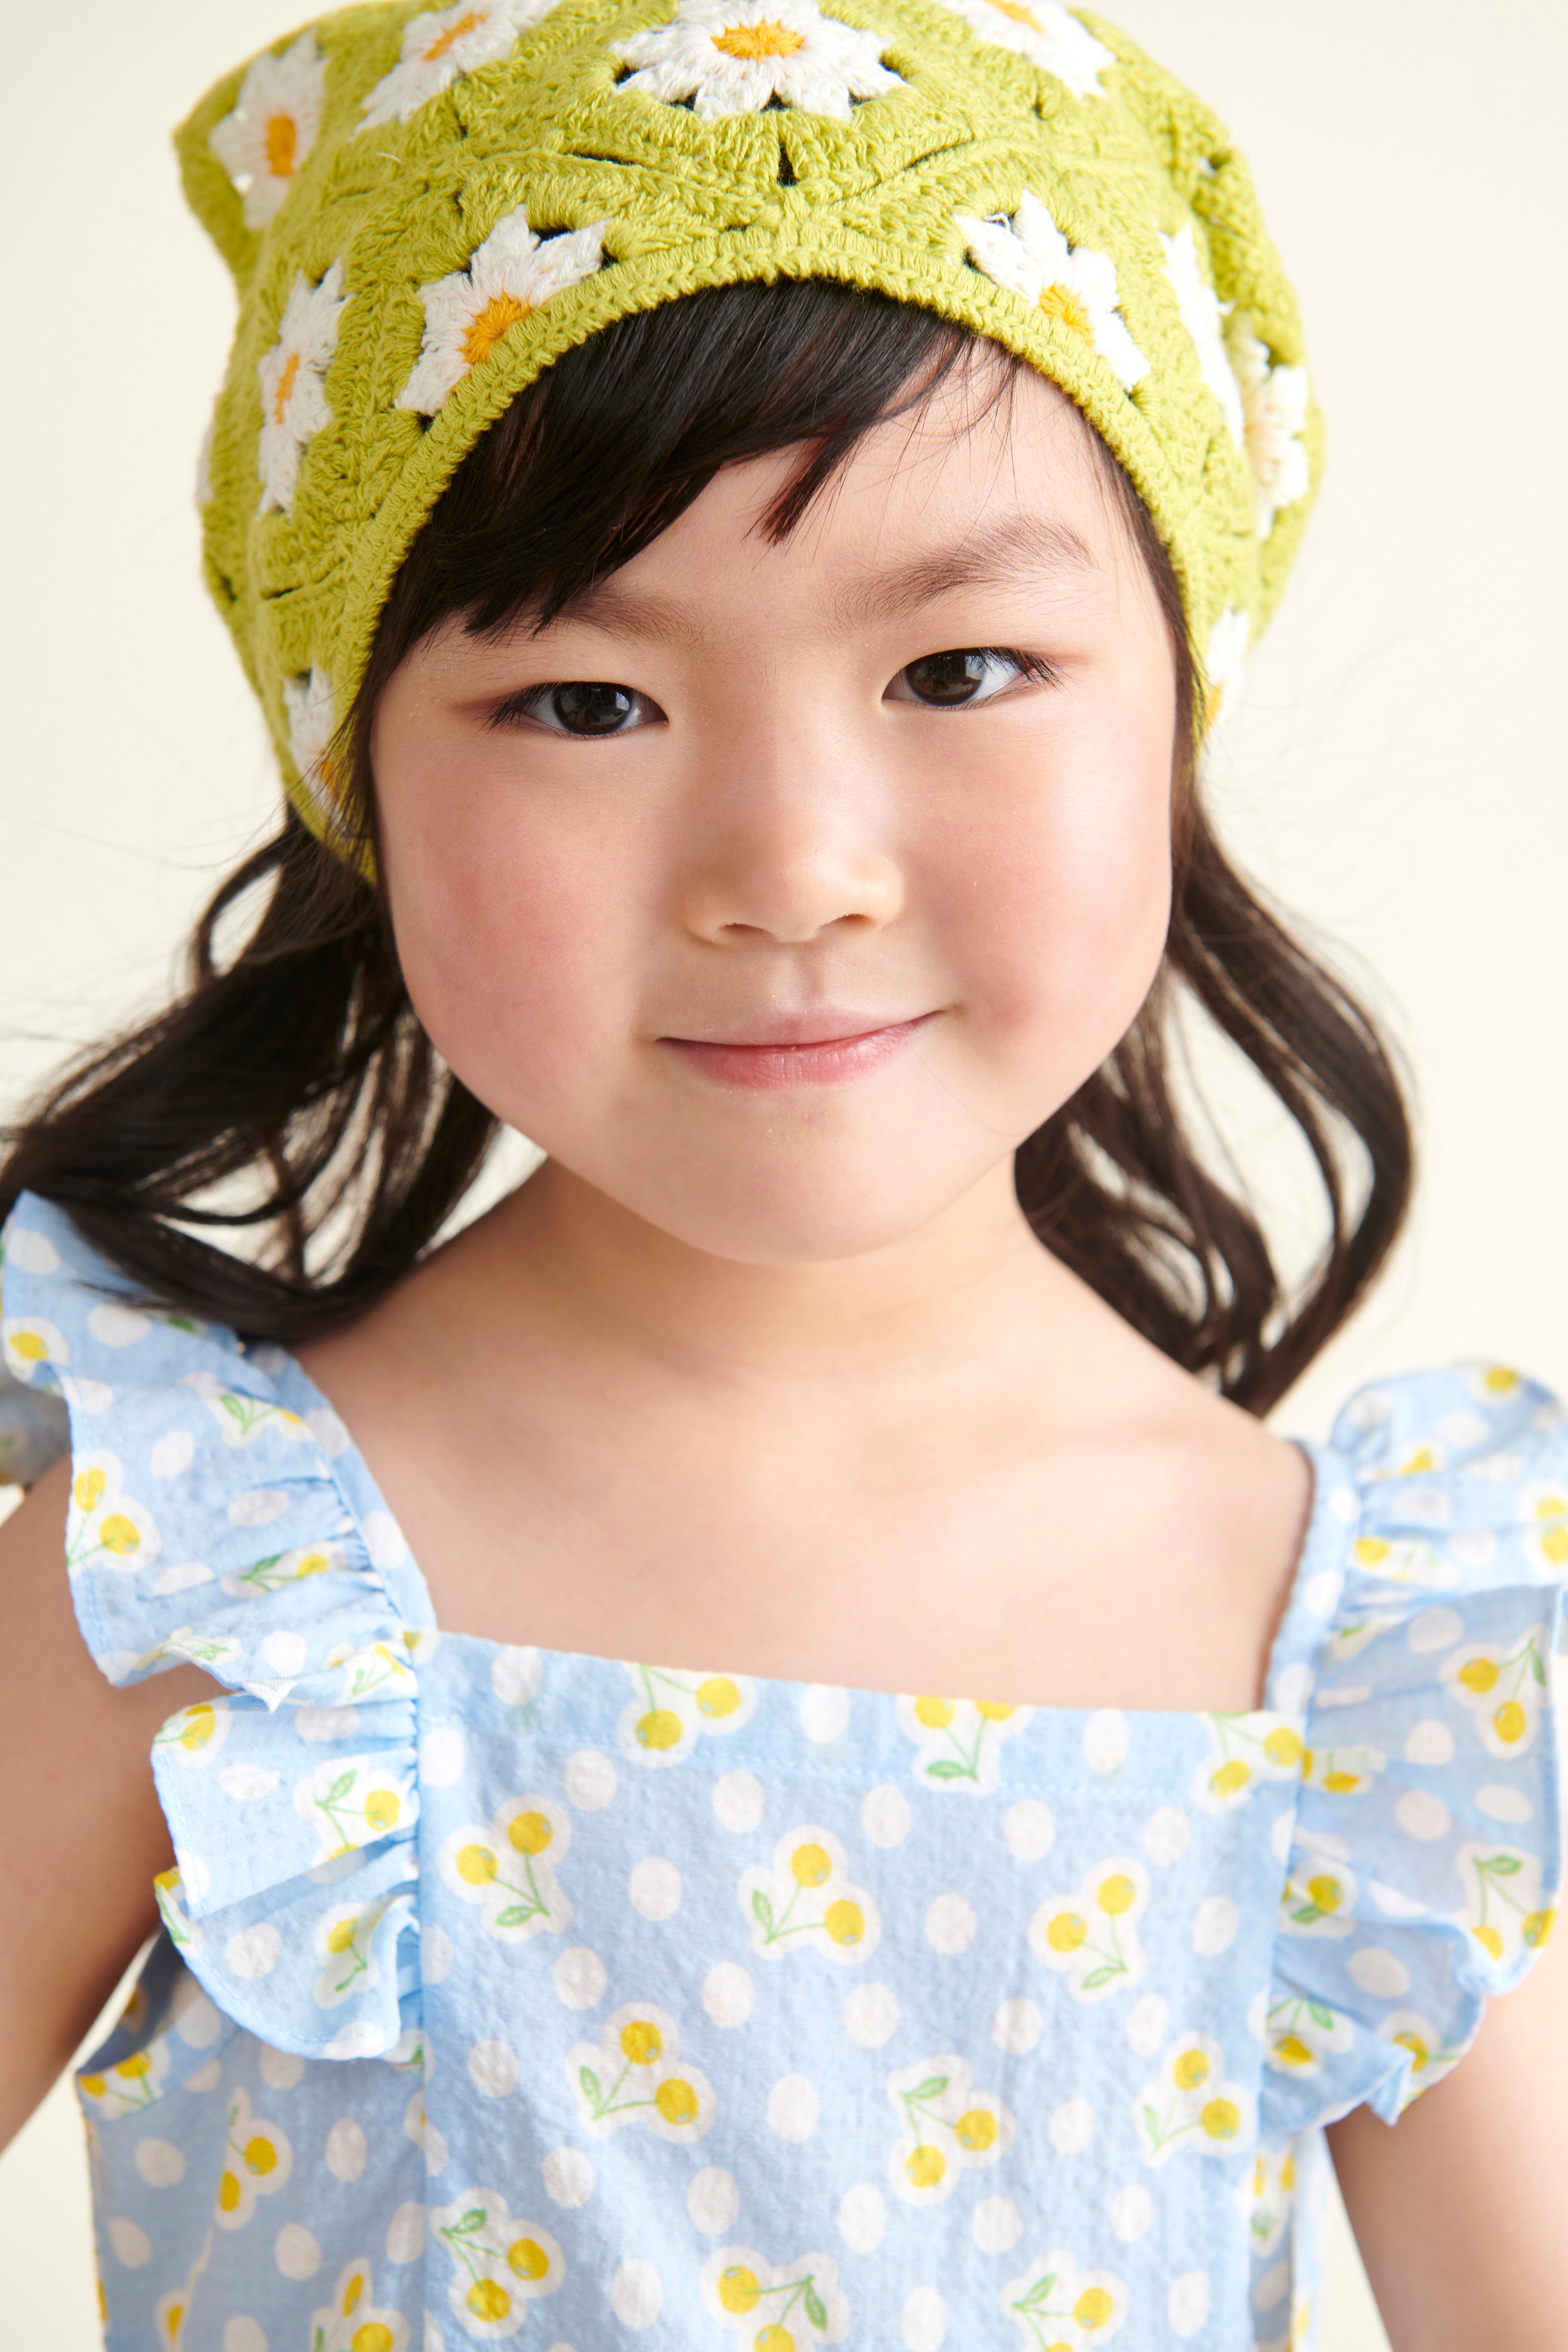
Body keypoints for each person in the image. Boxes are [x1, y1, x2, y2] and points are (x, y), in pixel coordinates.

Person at [1, 1, 1563, 2344]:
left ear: (1174, 704)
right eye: (584, 704)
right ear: (359, 777)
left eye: (956, 671)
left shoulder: (1357, 1651)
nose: (790, 867)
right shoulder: (193, 1577)